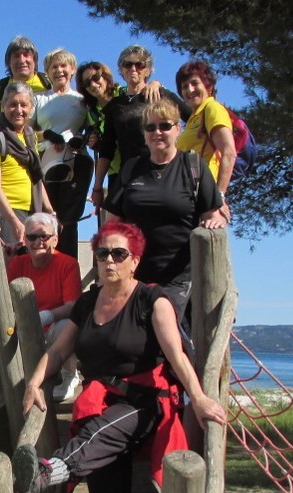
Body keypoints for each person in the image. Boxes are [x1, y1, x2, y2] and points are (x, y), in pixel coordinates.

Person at [12, 221, 226, 493]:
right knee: (104, 462)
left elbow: (176, 355)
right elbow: (60, 349)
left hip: (146, 402)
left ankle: (48, 471)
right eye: (102, 253)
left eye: (118, 253)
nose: (109, 260)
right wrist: (33, 382)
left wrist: (202, 396)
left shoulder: (152, 300)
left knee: (104, 428)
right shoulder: (89, 301)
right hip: (103, 398)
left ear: (134, 262)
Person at [101, 100, 228, 323]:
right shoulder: (132, 168)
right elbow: (112, 223)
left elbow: (211, 213)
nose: (157, 132)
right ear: (143, 133)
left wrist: (216, 221)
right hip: (135, 275)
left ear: (177, 129)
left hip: (180, 276)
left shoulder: (193, 167)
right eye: (150, 127)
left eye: (165, 126)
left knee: (165, 332)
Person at [90, 45, 188, 211]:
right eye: (127, 65)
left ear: (148, 70)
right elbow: (107, 150)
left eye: (139, 65)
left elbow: (193, 117)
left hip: (162, 173)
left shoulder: (160, 95)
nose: (133, 69)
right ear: (121, 70)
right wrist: (97, 187)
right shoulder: (115, 106)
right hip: (129, 175)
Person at [6, 213, 82, 401]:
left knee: (67, 327)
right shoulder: (17, 263)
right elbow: (4, 299)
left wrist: (47, 315)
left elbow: (73, 306)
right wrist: (5, 262)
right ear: (25, 240)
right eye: (32, 237)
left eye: (44, 237)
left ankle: (69, 375)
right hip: (27, 330)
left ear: (55, 240)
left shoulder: (68, 264)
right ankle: (16, 382)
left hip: (54, 331)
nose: (38, 242)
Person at [0, 81, 53, 250]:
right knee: (5, 272)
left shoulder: (29, 136)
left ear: (31, 108)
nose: (19, 110)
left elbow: (35, 177)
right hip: (2, 214)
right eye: (13, 104)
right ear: (3, 105)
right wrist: (14, 221)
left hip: (30, 213)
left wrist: (51, 212)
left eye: (24, 105)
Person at [33, 48, 92, 259]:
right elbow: (26, 133)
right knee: (46, 219)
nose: (59, 70)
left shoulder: (82, 100)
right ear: (47, 71)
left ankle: (68, 275)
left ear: (72, 70)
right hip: (45, 164)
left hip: (75, 165)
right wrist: (48, 135)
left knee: (68, 222)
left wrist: (82, 140)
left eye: (63, 65)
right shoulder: (38, 99)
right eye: (54, 67)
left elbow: (93, 132)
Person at [176, 60, 236, 222]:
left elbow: (229, 153)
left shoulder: (212, 109)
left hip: (205, 198)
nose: (190, 90)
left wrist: (218, 197)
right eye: (184, 86)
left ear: (208, 87)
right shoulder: (194, 117)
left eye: (195, 83)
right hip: (190, 196)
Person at [0, 35, 51, 123]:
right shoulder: (0, 87)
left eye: (26, 55)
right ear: (8, 62)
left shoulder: (48, 83)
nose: (22, 60)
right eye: (16, 56)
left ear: (35, 60)